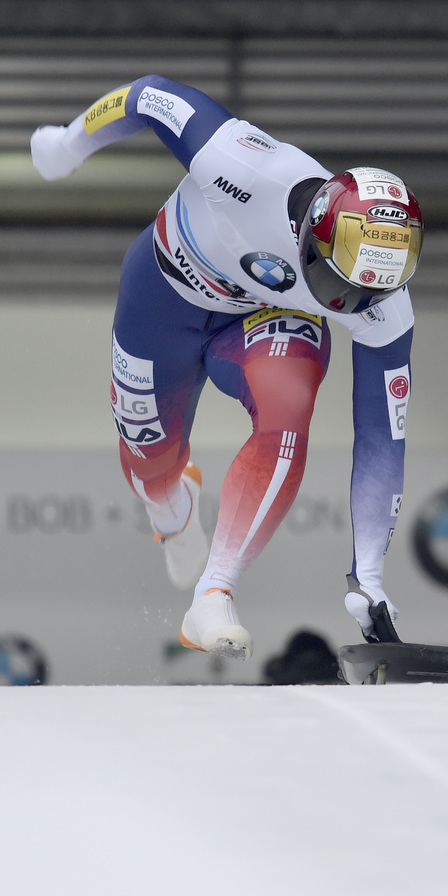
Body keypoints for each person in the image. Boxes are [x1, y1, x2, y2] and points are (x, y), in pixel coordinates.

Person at [30, 75, 423, 661]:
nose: (354, 307)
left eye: (372, 293)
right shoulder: (240, 167)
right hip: (163, 296)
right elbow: (147, 95)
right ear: (312, 239)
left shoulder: (384, 308)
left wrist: (369, 576)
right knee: (151, 465)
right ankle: (171, 510)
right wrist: (67, 145)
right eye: (341, 287)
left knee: (288, 412)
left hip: (262, 318)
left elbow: (382, 440)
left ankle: (214, 592)